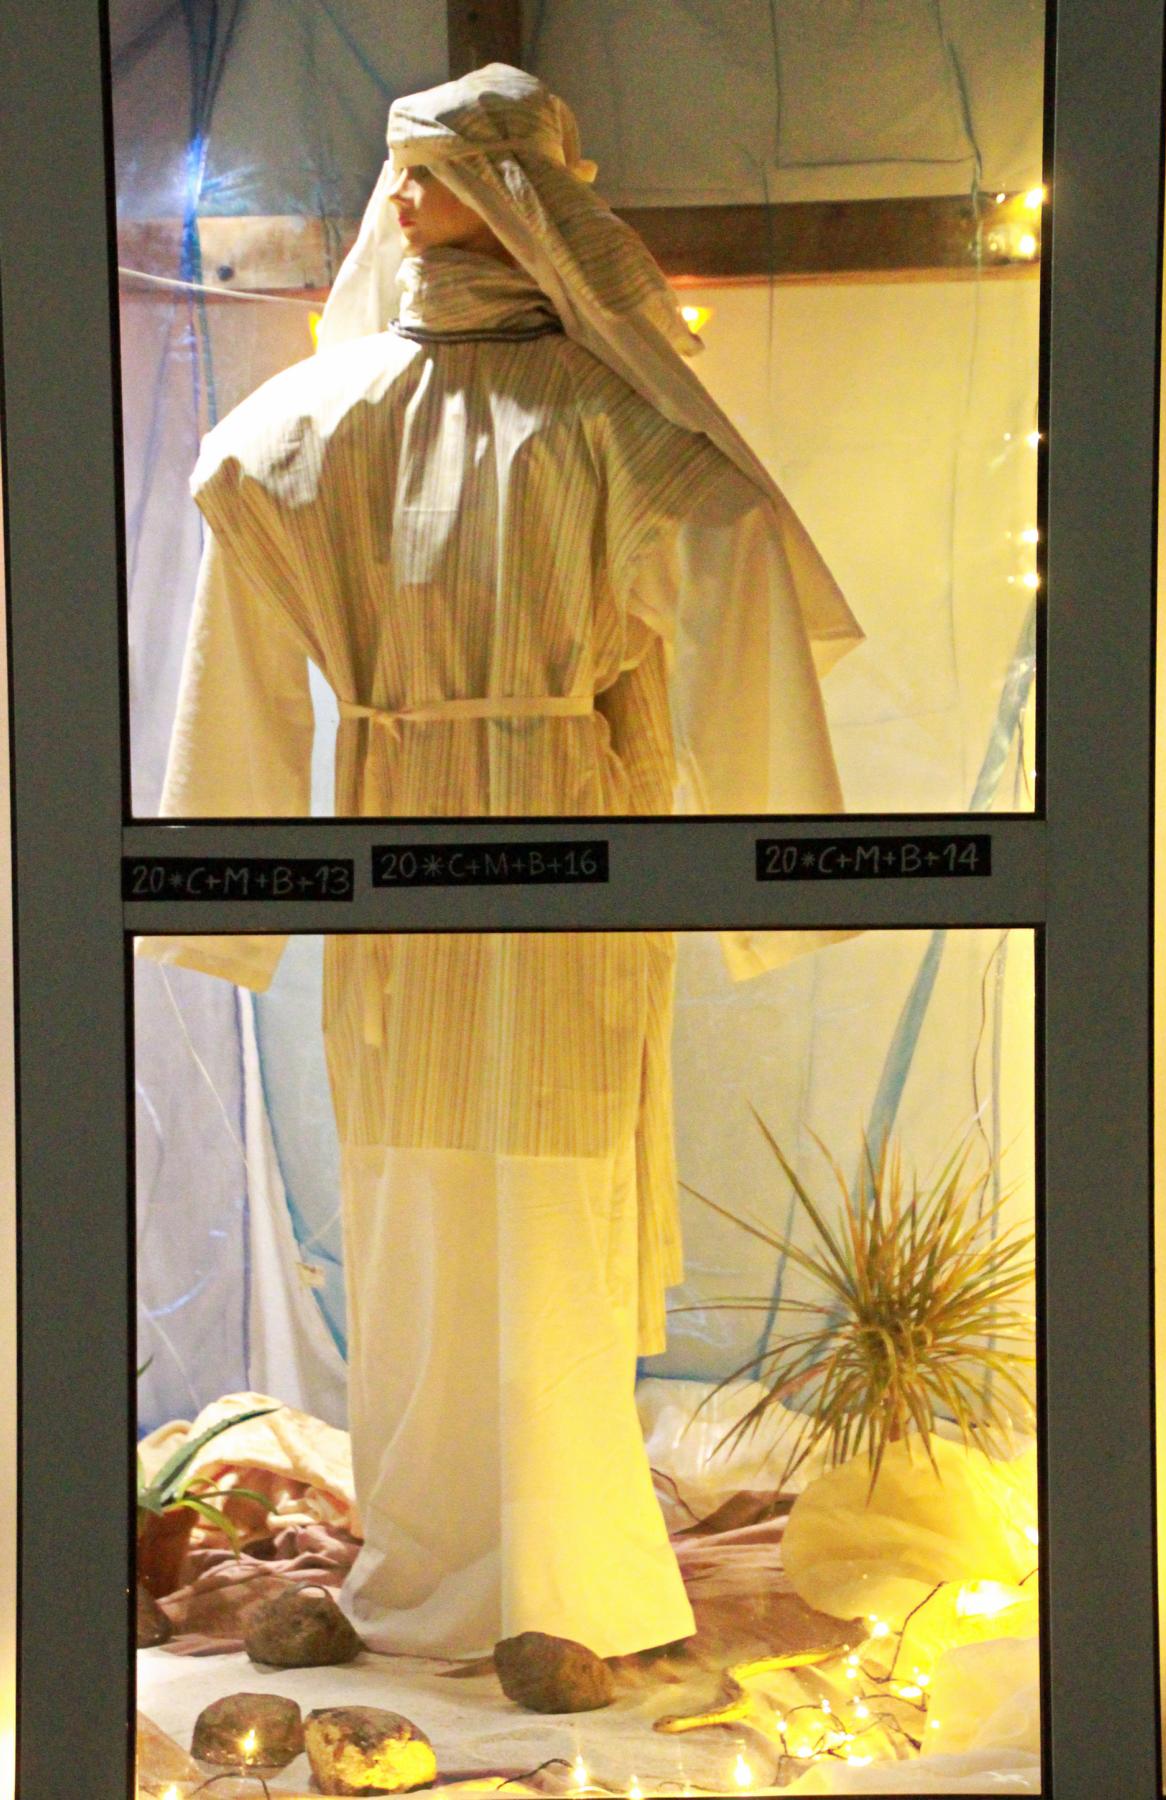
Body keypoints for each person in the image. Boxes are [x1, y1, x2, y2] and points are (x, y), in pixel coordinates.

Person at [137, 63, 860, 1659]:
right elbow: (239, 653)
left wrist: (770, 860)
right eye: (397, 172)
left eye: (437, 171)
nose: (400, 201)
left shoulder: (593, 419)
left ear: (521, 195)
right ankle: (437, 1566)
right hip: (431, 845)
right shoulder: (336, 423)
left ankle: (561, 1582)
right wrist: (227, 880)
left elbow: (733, 567)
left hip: (552, 851)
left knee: (541, 1205)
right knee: (414, 1209)